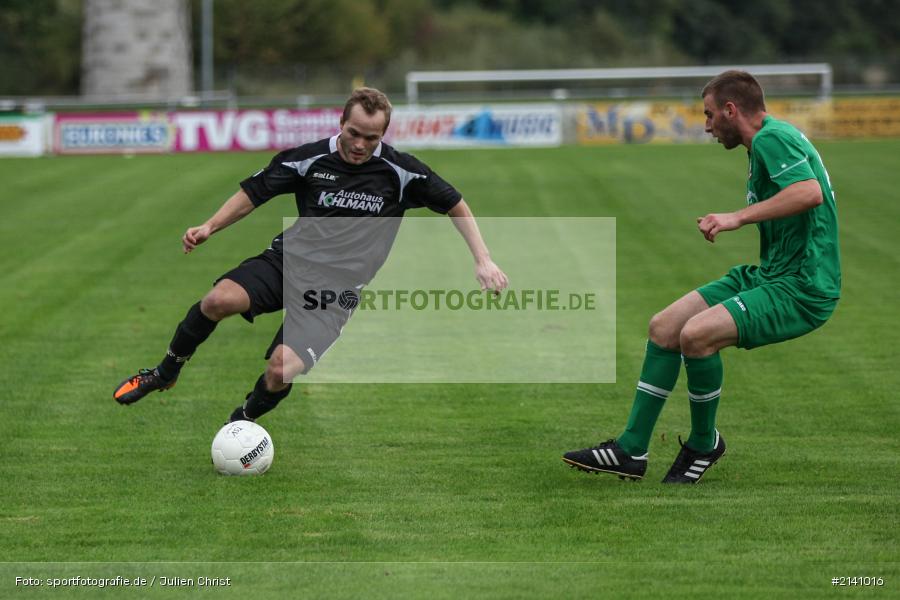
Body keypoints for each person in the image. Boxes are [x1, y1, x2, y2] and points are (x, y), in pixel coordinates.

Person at [114, 87, 509, 422]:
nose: (360, 144)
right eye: (354, 133)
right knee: (218, 300)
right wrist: (209, 227)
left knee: (280, 370)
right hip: (287, 263)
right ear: (341, 123)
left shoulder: (402, 172)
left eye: (371, 138)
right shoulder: (308, 159)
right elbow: (255, 192)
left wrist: (483, 258)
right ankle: (165, 372)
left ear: (384, 135)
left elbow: (455, 203)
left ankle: (243, 422)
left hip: (335, 288)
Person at [563, 70, 840, 484]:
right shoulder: (768, 140)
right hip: (769, 274)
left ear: (732, 110)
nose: (707, 125)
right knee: (665, 327)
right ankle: (631, 449)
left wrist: (735, 218)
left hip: (802, 286)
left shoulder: (769, 138)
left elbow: (808, 192)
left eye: (710, 115)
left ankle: (703, 443)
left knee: (696, 336)